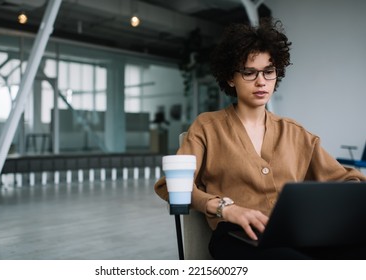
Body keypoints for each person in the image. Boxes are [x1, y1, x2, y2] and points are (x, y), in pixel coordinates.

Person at [154, 18, 366, 260]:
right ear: (230, 78)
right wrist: (224, 208)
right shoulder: (207, 127)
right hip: (236, 236)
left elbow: (348, 179)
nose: (261, 81)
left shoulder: (296, 133)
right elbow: (172, 186)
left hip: (295, 234)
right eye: (249, 72)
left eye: (268, 71)